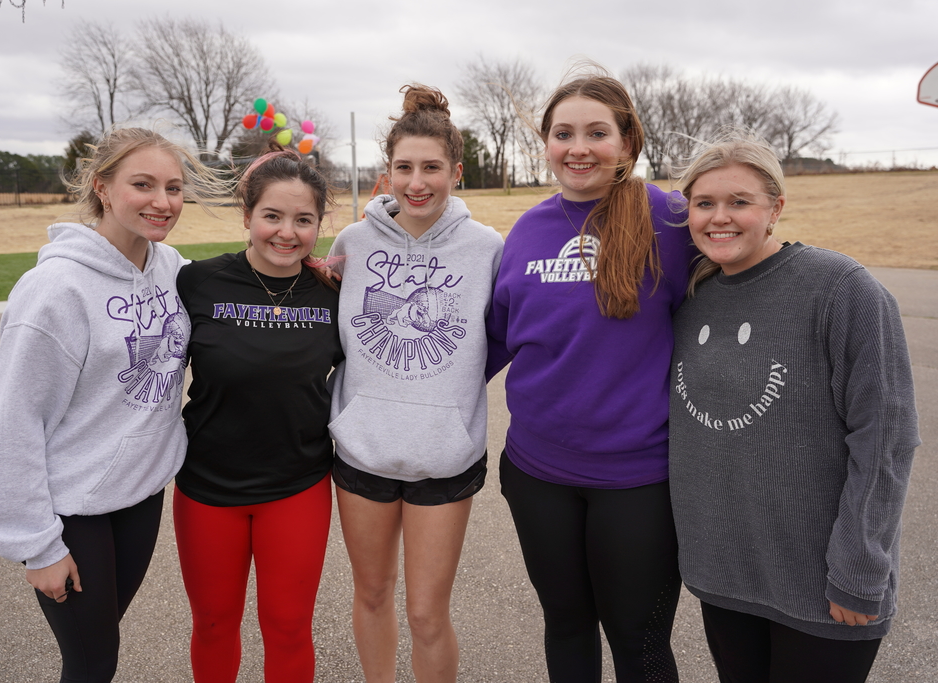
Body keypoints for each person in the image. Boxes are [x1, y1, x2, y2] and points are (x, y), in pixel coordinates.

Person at [669, 131, 919, 683]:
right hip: (726, 574)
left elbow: (886, 437)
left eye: (740, 201)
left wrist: (859, 566)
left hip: (820, 584)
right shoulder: (692, 301)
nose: (719, 217)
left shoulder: (840, 289)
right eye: (704, 203)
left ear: (776, 208)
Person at [0, 127, 226, 683]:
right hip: (71, 511)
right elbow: (14, 424)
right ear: (104, 188)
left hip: (138, 496)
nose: (162, 202)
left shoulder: (169, 268)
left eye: (173, 187)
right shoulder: (54, 291)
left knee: (100, 643)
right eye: (142, 184)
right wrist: (36, 545)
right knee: (92, 664)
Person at [485, 66, 694, 682]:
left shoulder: (671, 219)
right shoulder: (527, 231)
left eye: (596, 132)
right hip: (537, 472)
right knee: (567, 626)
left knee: (638, 639)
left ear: (626, 142)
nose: (578, 147)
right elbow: (492, 339)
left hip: (638, 478)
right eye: (563, 133)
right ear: (546, 143)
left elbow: (746, 264)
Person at [327, 84, 504, 683]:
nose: (417, 181)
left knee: (428, 614)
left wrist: (448, 395)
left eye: (432, 167)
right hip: (363, 449)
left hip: (444, 455)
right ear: (387, 173)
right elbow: (328, 332)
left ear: (456, 171)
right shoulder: (352, 243)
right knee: (372, 594)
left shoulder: (487, 249)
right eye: (404, 167)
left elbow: (502, 337)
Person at [173, 145, 343, 683]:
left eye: (303, 220)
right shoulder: (196, 283)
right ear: (246, 217)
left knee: (289, 627)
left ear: (319, 224)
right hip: (206, 490)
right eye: (271, 216)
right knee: (215, 624)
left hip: (297, 487)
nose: (286, 232)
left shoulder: (335, 293)